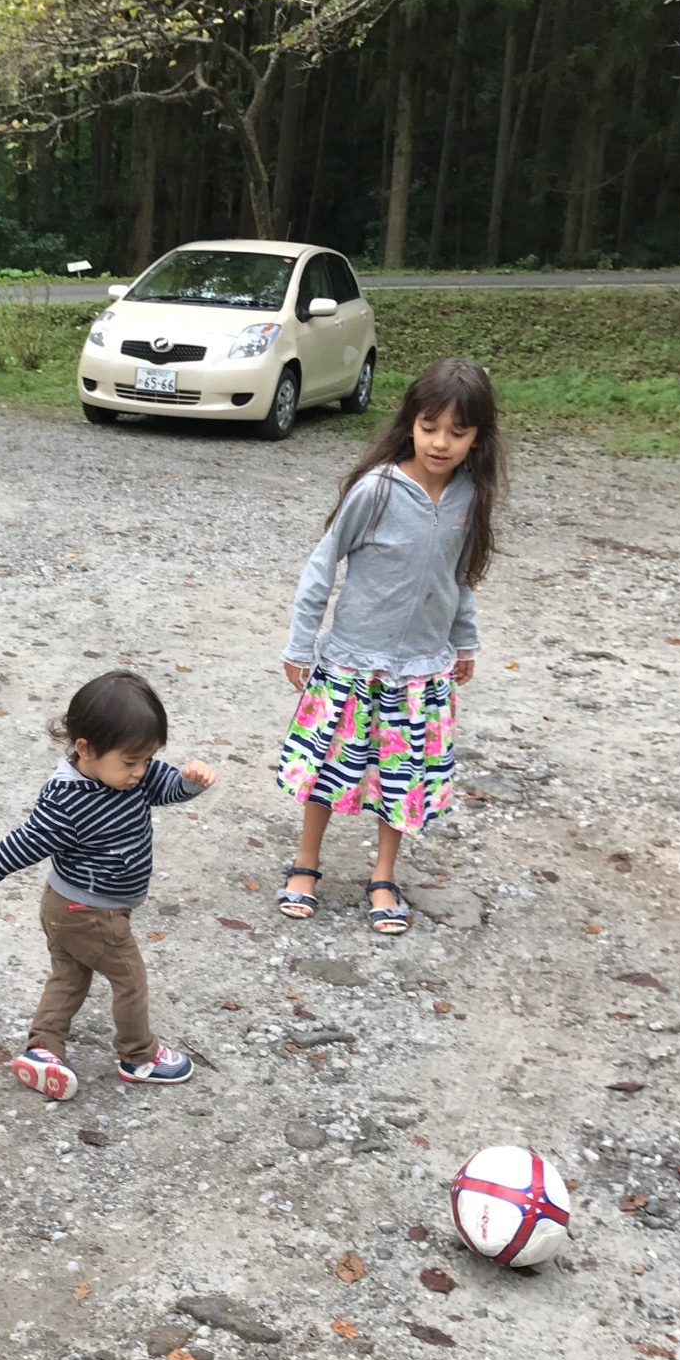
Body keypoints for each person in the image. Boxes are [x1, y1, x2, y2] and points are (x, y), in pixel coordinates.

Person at [274, 355, 506, 934]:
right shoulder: (376, 491)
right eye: (430, 427)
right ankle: (306, 863)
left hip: (423, 671)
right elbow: (321, 566)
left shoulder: (468, 497)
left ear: (478, 437)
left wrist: (465, 644)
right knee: (328, 769)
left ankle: (384, 874)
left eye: (458, 432)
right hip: (353, 663)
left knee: (402, 780)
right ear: (410, 423)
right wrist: (301, 645)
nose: (440, 443)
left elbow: (460, 577)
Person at [0, 670, 216, 1098]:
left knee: (70, 976)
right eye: (131, 762)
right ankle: (139, 1056)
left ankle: (43, 1050)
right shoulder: (67, 801)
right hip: (89, 911)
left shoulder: (130, 774)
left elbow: (164, 787)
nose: (140, 772)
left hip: (66, 907)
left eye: (146, 760)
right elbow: (24, 843)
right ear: (86, 749)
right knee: (130, 978)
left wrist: (189, 782)